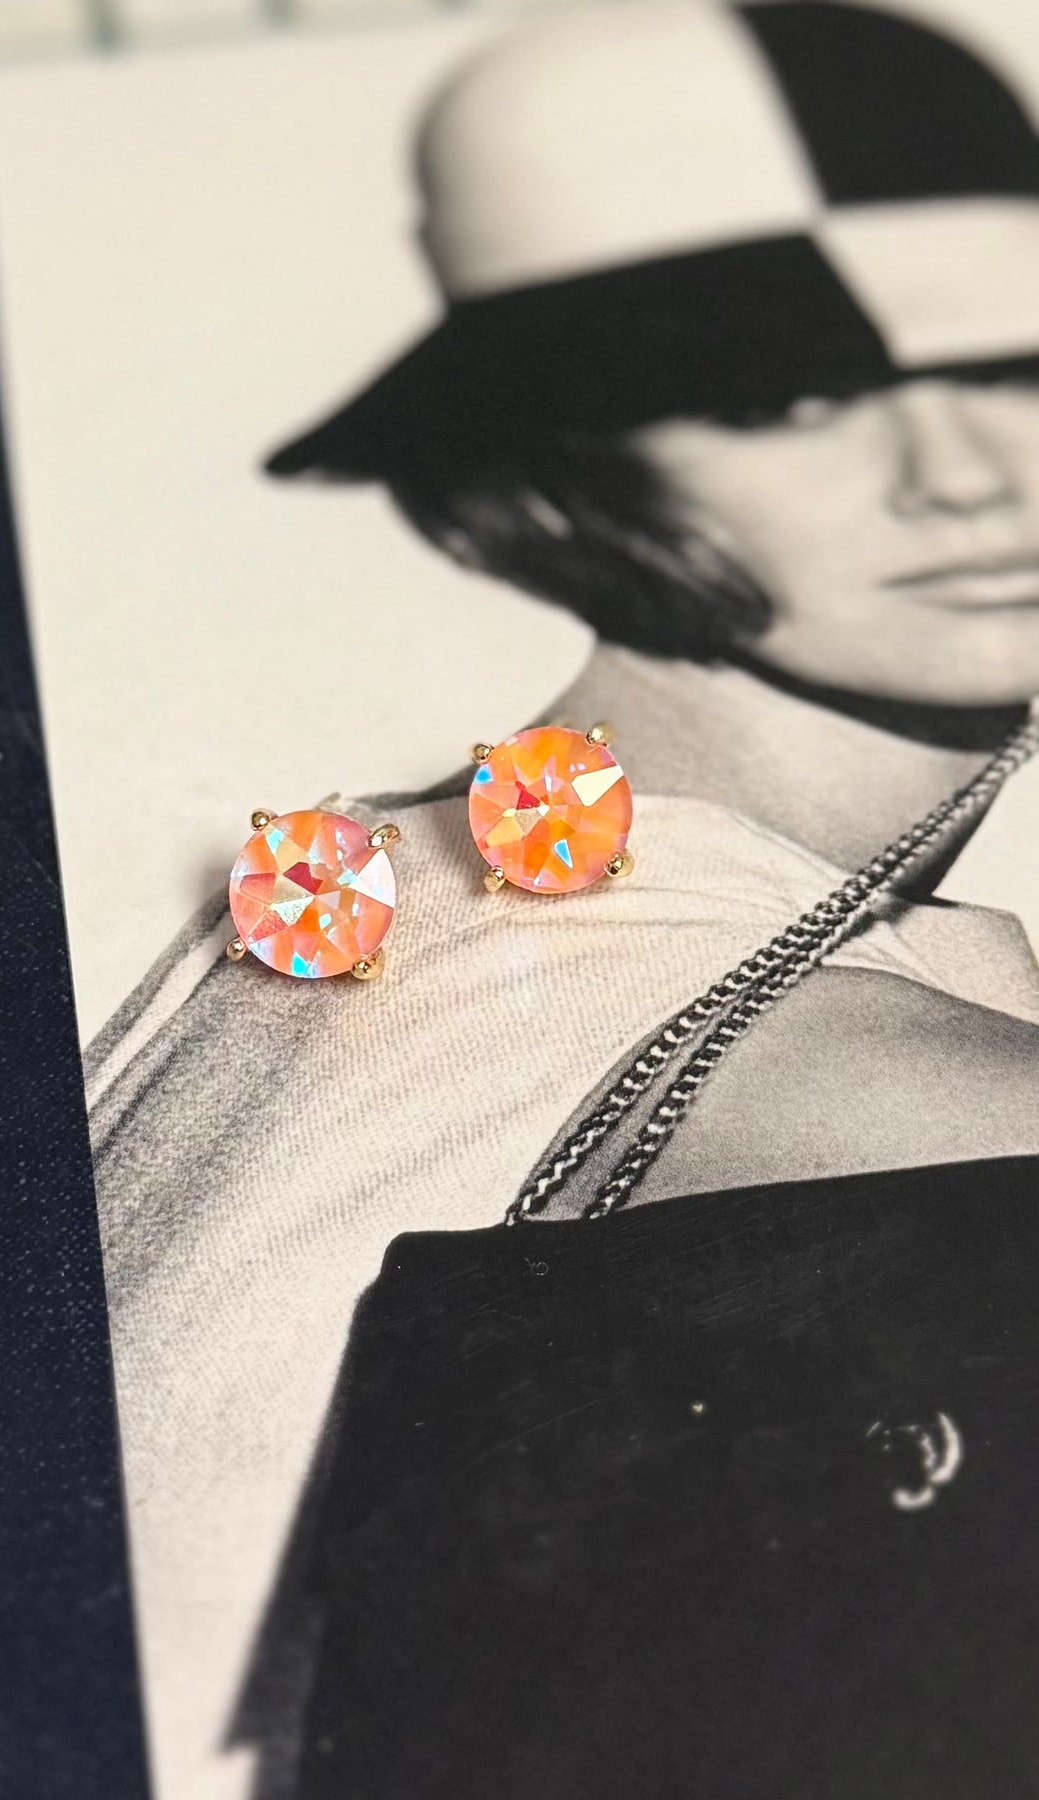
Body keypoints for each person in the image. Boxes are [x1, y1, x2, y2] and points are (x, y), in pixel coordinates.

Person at [86, 2, 1039, 1791]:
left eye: (1010, 369)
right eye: (780, 398)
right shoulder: (838, 1064)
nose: (965, 480)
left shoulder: (367, 876)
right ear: (557, 468)